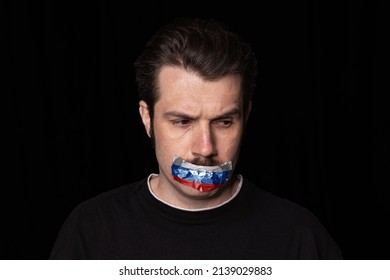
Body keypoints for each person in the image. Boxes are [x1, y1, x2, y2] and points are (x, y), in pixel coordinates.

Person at [49, 17, 342, 260]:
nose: (205, 148)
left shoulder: (299, 235)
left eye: (224, 122)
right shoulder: (91, 229)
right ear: (147, 118)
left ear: (246, 117)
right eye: (183, 122)